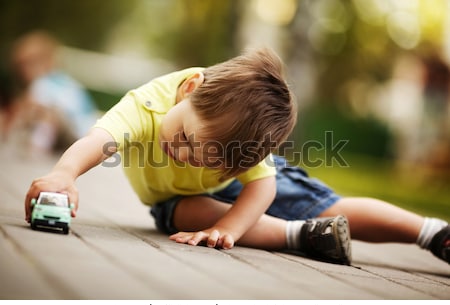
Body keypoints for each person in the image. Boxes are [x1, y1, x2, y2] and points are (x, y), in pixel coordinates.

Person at [25, 48, 449, 266]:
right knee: (185, 214)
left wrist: (230, 226)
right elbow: (102, 138)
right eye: (188, 139)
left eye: (204, 157)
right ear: (190, 90)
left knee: (329, 205)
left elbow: (262, 184)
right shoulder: (149, 103)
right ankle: (303, 236)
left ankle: (432, 233)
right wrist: (65, 173)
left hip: (239, 186)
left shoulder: (235, 146)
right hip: (179, 199)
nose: (186, 155)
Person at [10, 30, 99, 153]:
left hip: (77, 133)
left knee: (46, 112)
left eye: (27, 65)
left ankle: (38, 146)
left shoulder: (42, 83)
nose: (22, 71)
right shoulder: (64, 80)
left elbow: (41, 110)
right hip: (90, 132)